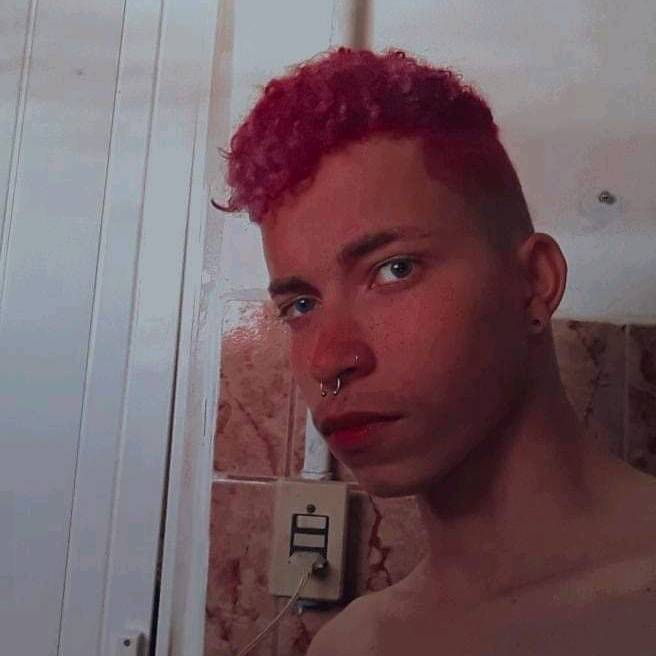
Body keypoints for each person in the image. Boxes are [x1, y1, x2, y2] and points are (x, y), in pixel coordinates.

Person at [213, 48, 656, 655]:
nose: (328, 360)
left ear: (535, 282)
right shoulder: (352, 646)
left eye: (394, 269)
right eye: (301, 305)